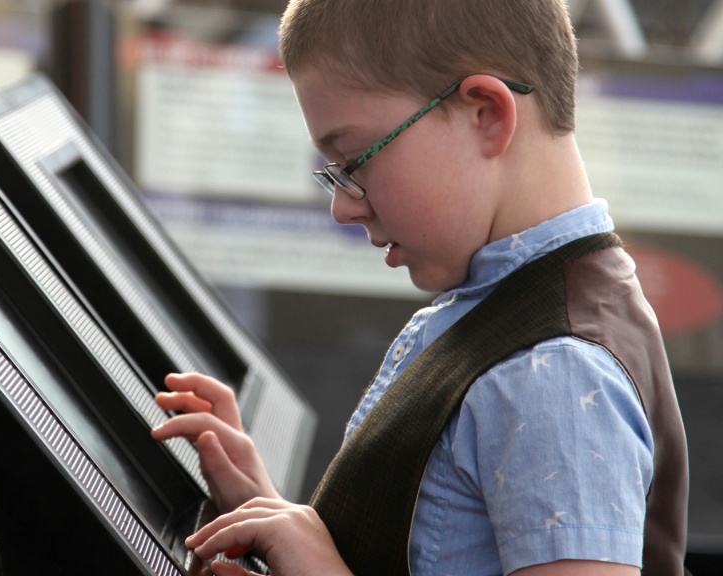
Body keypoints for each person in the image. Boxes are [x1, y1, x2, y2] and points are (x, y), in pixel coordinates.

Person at [151, 0, 690, 574]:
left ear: (486, 113)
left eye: (355, 160)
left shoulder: (555, 370)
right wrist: (271, 516)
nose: (342, 206)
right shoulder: (507, 313)